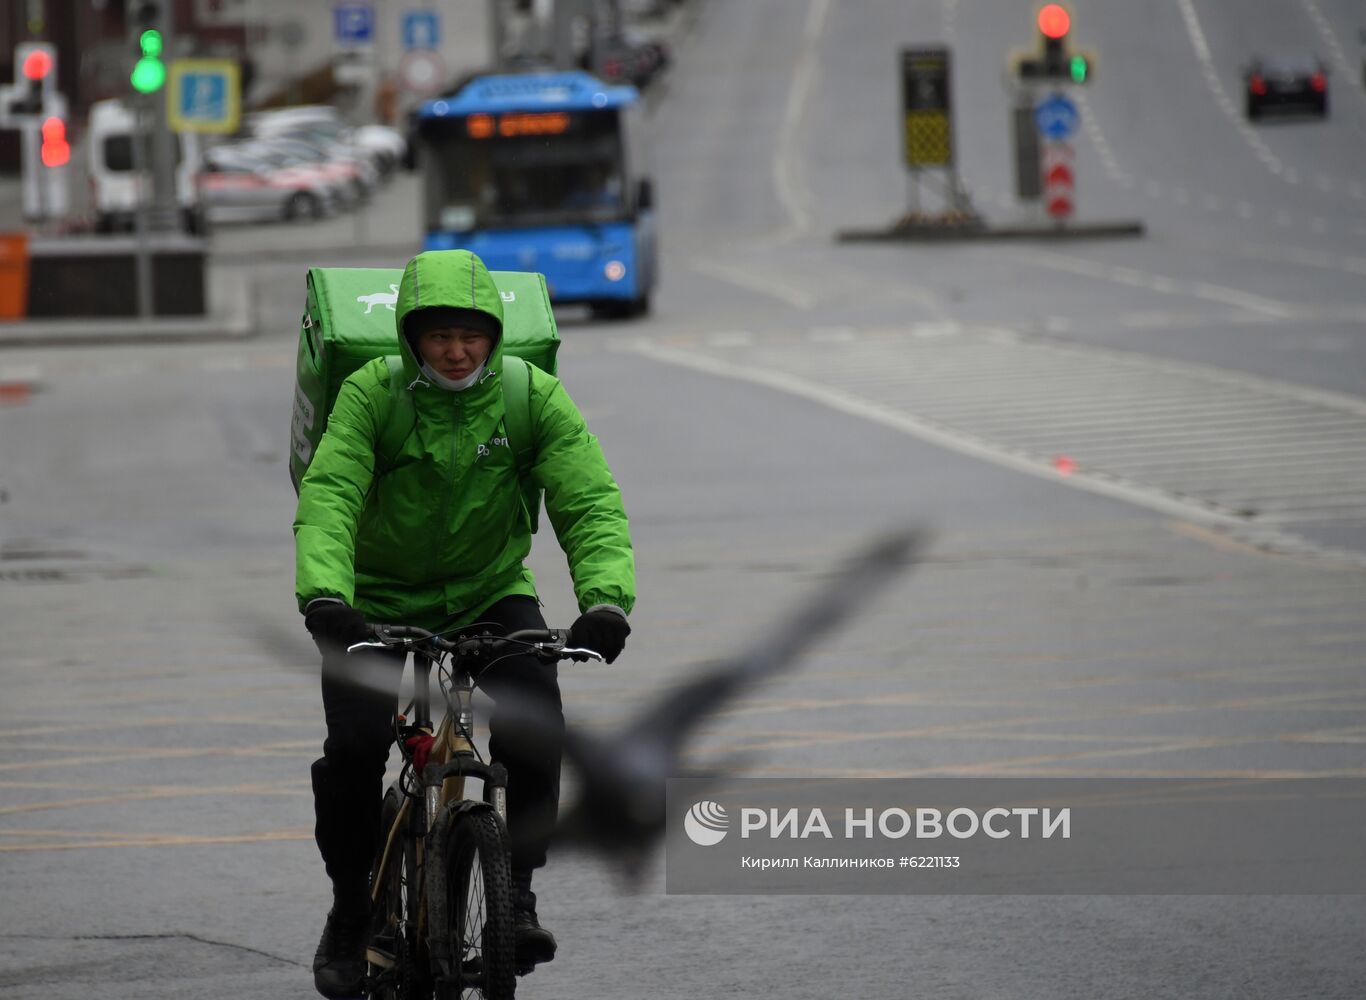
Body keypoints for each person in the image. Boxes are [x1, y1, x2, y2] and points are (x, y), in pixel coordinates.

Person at [295, 248, 634, 998]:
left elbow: (589, 500)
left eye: (471, 335)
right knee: (354, 749)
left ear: (495, 335)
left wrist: (605, 601)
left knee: (537, 721)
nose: (455, 351)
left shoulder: (530, 397)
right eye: (438, 336)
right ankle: (352, 907)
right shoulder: (370, 395)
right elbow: (331, 495)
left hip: (488, 591)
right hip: (374, 599)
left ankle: (517, 891)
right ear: (411, 336)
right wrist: (326, 599)